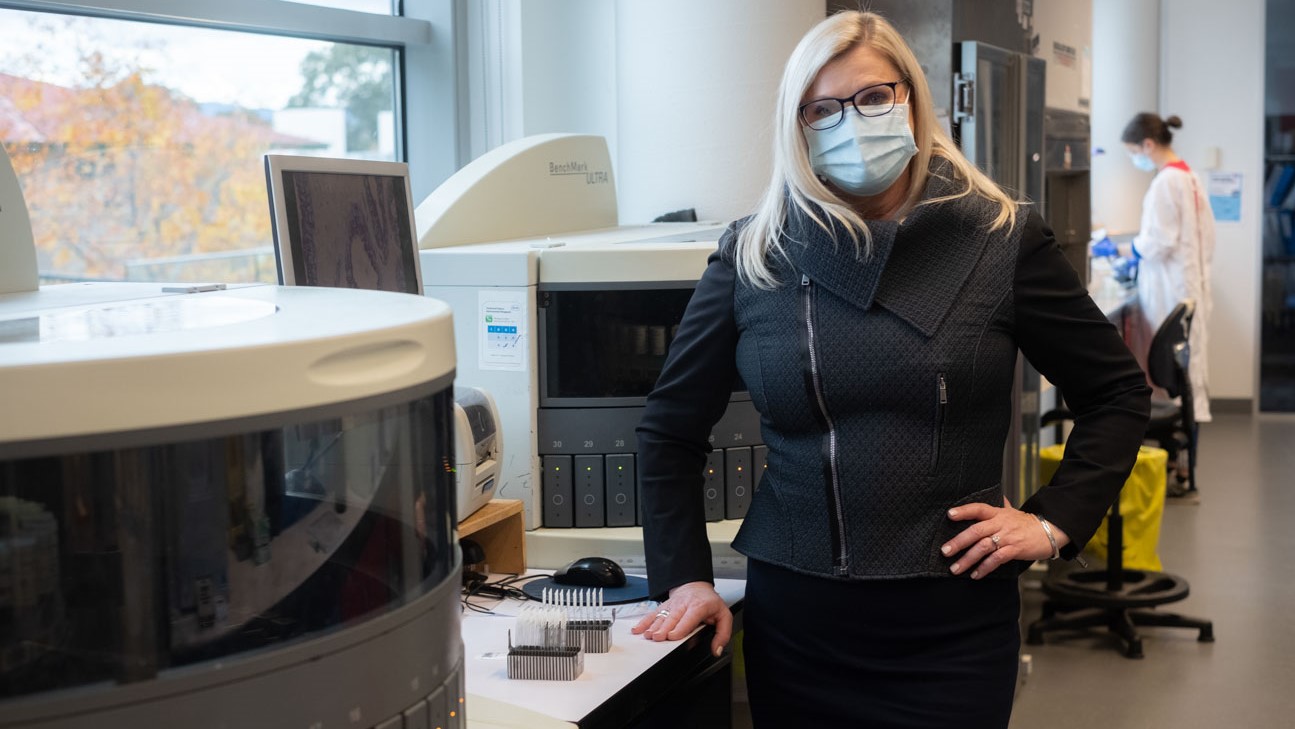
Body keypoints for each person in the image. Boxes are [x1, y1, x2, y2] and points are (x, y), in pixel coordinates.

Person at [629, 10, 1152, 728]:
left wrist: (1052, 521)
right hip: (798, 628)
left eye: (874, 97)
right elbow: (667, 431)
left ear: (911, 97)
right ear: (798, 125)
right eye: (823, 108)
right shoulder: (754, 257)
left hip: (953, 630)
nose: (853, 120)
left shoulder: (999, 238)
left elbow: (1117, 392)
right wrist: (684, 576)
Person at [1122, 112, 1216, 422]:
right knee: (1188, 376)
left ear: (1148, 145)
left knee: (1172, 372)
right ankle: (1185, 460)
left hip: (1170, 289)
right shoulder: (1189, 176)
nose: (1136, 160)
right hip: (1189, 285)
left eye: (1134, 153)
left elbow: (1158, 241)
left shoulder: (1166, 182)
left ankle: (1176, 456)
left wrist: (1131, 249)